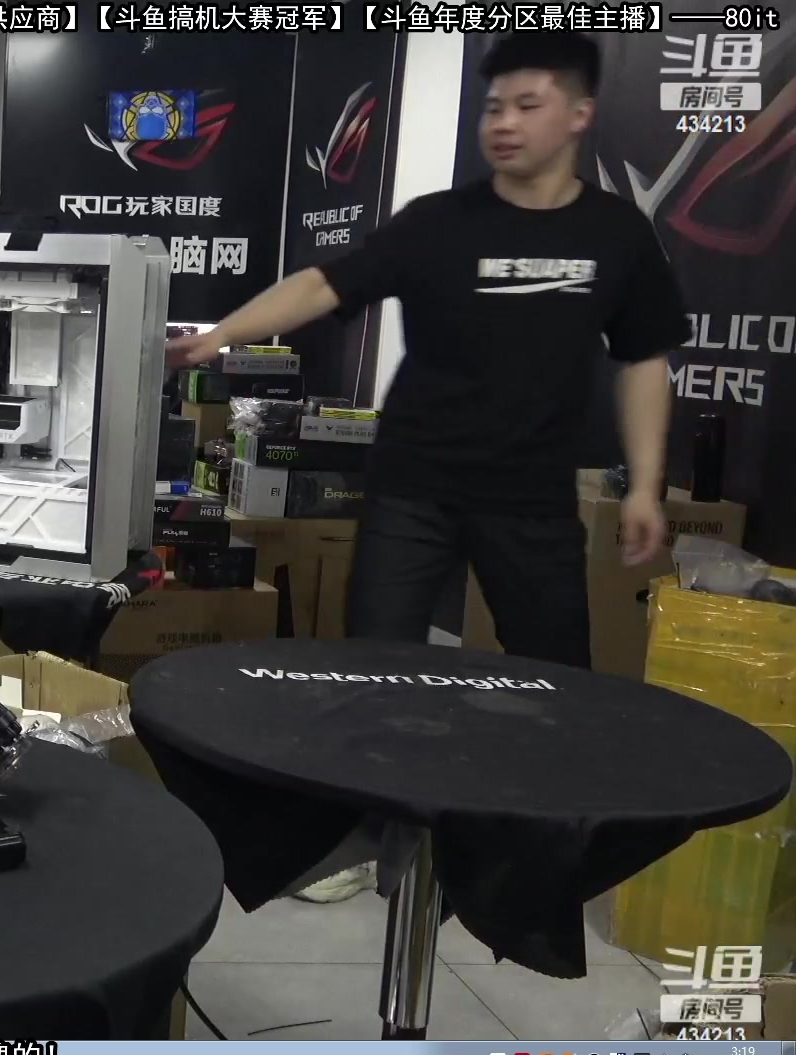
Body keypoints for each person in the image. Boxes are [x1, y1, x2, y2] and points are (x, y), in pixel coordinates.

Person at [167, 32, 686, 902]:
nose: (504, 123)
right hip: (414, 488)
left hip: (531, 497)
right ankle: (371, 838)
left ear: (578, 114)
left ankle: (537, 855)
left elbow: (643, 360)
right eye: (494, 107)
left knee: (560, 682)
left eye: (528, 105)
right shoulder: (439, 222)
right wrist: (219, 335)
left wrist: (647, 484)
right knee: (375, 672)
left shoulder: (615, 233)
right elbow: (324, 285)